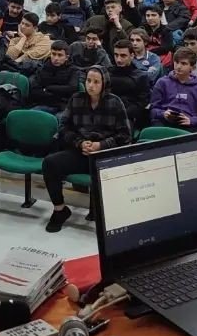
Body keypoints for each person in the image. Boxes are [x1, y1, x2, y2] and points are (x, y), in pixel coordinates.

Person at [41, 65, 131, 232]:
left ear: (104, 83)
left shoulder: (115, 102)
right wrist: (79, 142)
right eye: (89, 81)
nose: (91, 85)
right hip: (81, 150)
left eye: (96, 82)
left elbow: (125, 136)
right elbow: (63, 128)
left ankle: (110, 214)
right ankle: (60, 210)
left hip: (105, 155)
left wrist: (101, 145)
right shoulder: (76, 99)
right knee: (50, 163)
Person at [149, 47, 197, 128]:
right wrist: (163, 114)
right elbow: (152, 110)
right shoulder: (162, 83)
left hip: (189, 127)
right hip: (163, 123)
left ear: (193, 67)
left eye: (183, 63)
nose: (178, 66)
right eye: (176, 62)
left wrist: (192, 121)